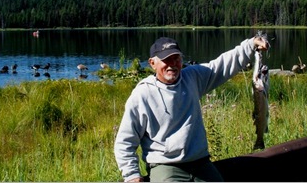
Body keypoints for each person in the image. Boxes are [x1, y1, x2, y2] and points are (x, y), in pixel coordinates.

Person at [114, 35, 270, 182]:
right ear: (152, 63)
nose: (172, 64)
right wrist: (131, 174)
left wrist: (250, 45)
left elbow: (221, 66)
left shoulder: (192, 77)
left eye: (176, 58)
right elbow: (125, 140)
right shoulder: (142, 94)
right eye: (166, 59)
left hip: (201, 164)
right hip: (166, 166)